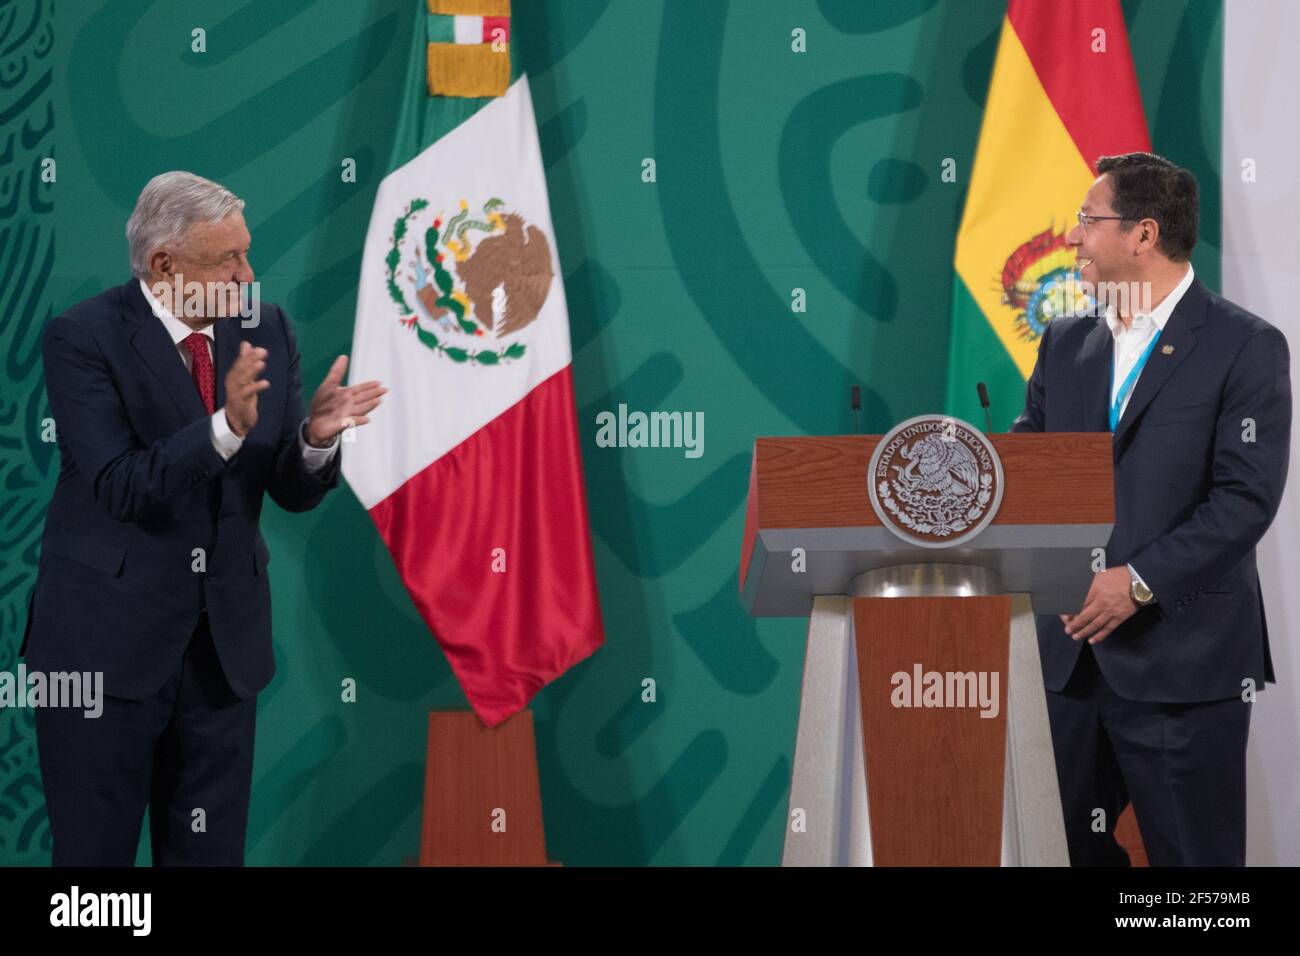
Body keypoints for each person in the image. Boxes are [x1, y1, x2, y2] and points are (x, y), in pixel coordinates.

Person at [20, 171, 387, 865]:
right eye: (228, 260)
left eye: (248, 253)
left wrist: (315, 440)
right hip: (104, 654)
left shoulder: (265, 328)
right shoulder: (83, 338)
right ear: (165, 265)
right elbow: (121, 485)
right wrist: (223, 426)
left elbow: (286, 488)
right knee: (94, 869)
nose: (250, 274)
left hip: (222, 654)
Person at [1011, 152, 1291, 866]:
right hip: (1068, 664)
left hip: (1183, 665)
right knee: (1051, 853)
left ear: (1143, 234)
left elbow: (1244, 501)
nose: (1072, 237)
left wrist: (1136, 581)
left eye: (1086, 219)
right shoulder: (1066, 342)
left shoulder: (1246, 346)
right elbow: (1029, 469)